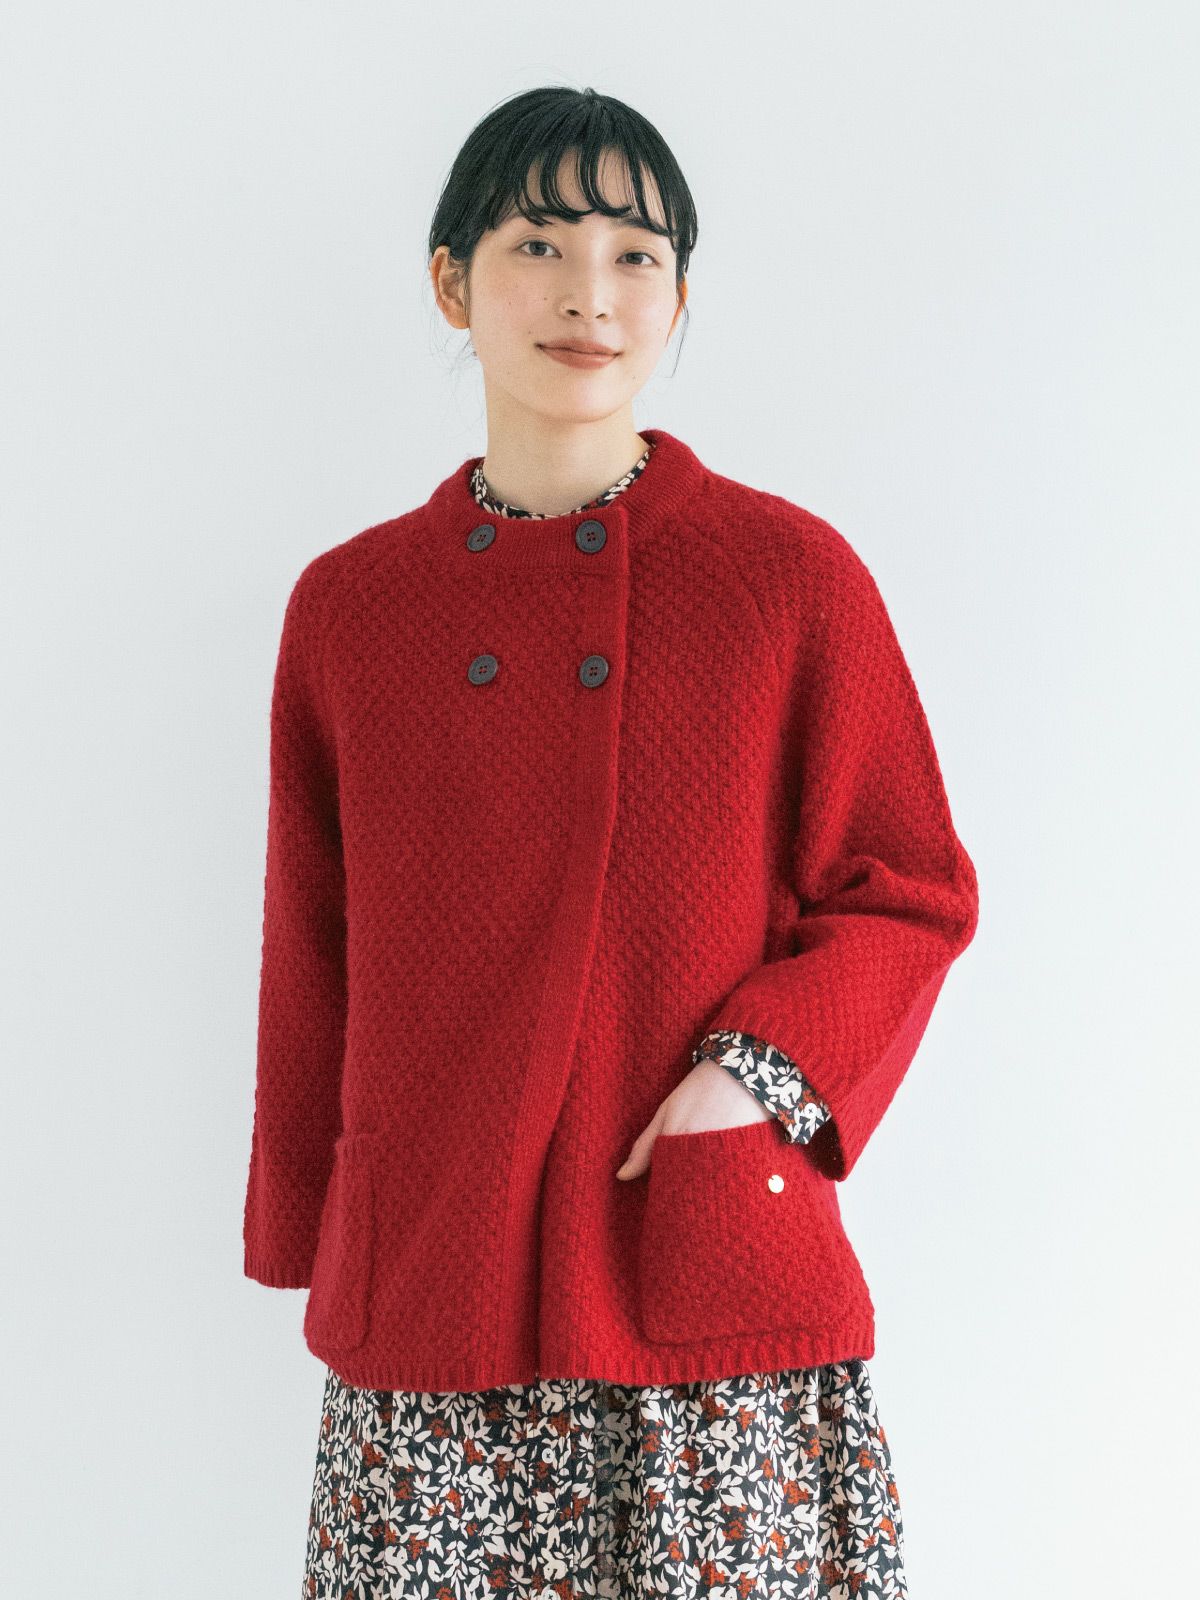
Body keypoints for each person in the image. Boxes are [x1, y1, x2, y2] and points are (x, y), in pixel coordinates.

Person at [242, 85, 979, 1599]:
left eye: (637, 255)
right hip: (439, 1296)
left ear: (680, 299)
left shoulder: (787, 577)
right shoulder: (352, 609)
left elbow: (906, 889)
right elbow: (313, 949)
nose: (591, 292)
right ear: (451, 281)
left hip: (700, 1292)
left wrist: (752, 1078)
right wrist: (320, 1222)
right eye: (538, 243)